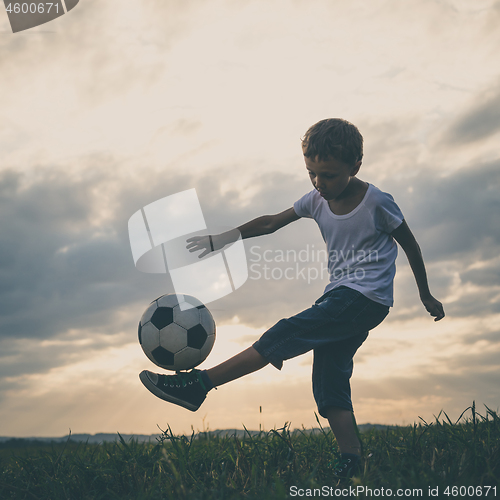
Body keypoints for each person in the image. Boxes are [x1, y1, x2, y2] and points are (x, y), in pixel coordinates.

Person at [139, 118, 445, 479]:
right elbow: (271, 222)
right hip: (342, 296)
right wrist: (223, 239)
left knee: (285, 333)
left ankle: (198, 385)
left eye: (328, 175)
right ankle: (350, 460)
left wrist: (425, 293)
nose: (319, 183)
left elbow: (409, 243)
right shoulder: (316, 200)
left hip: (365, 298)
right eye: (311, 173)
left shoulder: (376, 202)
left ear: (355, 167)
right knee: (329, 374)